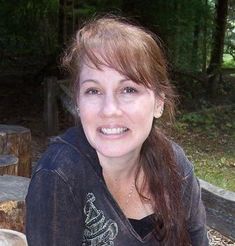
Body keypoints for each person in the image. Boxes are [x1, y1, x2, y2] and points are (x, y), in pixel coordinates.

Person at [26, 15, 209, 246]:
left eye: (129, 90)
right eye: (93, 91)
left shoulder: (175, 166)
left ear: (159, 103)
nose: (109, 110)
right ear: (78, 104)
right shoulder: (60, 174)